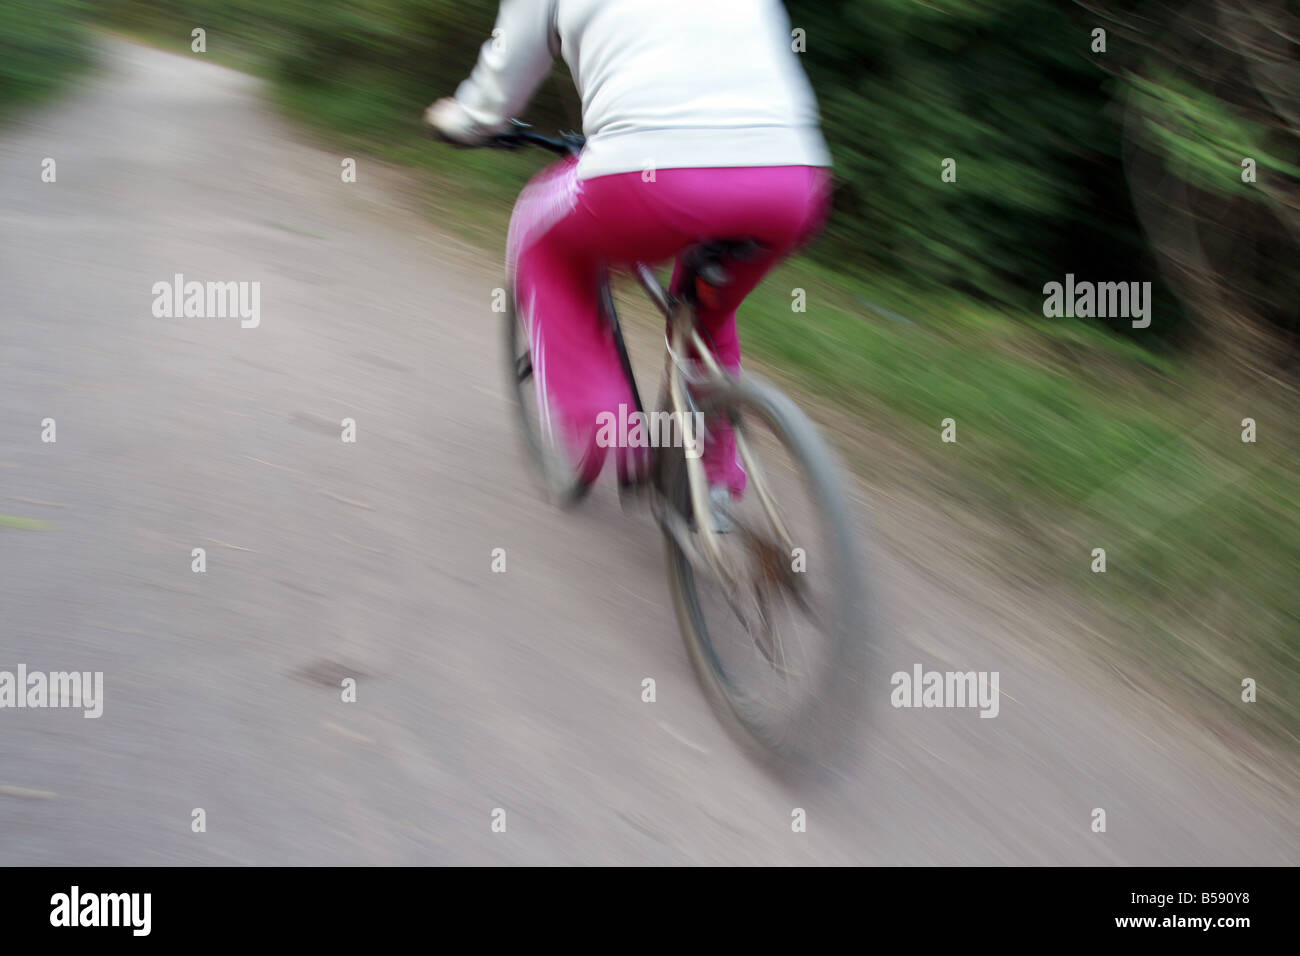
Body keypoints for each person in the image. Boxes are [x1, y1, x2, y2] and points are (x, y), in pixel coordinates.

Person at [425, 0, 831, 509]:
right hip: (793, 178)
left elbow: (500, 82)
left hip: (651, 174)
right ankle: (715, 477)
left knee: (538, 229)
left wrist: (462, 121)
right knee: (705, 309)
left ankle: (609, 431)